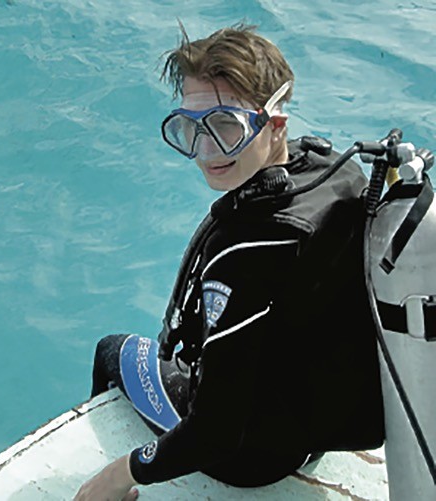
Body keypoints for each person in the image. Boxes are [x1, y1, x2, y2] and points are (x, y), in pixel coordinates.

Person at [74, 23, 384, 501]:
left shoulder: (245, 254)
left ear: (275, 124)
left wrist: (120, 474)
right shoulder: (337, 176)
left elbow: (214, 435)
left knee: (111, 350)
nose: (206, 151)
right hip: (310, 431)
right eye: (191, 129)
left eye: (225, 127)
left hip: (250, 457)